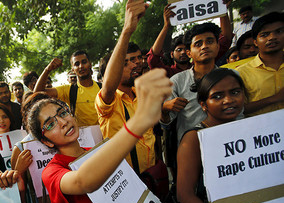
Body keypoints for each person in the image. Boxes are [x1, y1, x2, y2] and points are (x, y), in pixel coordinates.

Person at [26, 64, 181, 203]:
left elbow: (134, 196)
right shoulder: (52, 171)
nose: (63, 122)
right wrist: (139, 121)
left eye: (63, 112)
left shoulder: (97, 152)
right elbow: (84, 181)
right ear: (46, 142)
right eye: (50, 124)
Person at [176, 68, 255, 203]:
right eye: (218, 96)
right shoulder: (194, 139)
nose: (228, 100)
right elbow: (185, 195)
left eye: (235, 92)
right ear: (204, 104)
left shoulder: (250, 130)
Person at [95, 2, 156, 173]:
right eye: (126, 63)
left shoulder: (143, 94)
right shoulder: (108, 101)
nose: (135, 65)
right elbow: (108, 88)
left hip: (153, 176)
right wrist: (127, 31)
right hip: (128, 182)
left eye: (137, 60)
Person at [161, 22, 233, 144]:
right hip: (192, 148)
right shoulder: (177, 81)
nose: (204, 47)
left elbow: (240, 114)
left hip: (229, 143)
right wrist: (164, 108)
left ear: (218, 46)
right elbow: (166, 122)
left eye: (209, 41)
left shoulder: (231, 76)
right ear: (189, 53)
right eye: (198, 44)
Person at [148, 2, 232, 78]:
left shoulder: (205, 60)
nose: (183, 52)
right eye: (179, 49)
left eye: (209, 42)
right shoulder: (172, 76)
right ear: (172, 54)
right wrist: (166, 26)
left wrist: (222, 10)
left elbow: (226, 39)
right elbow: (153, 60)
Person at [34, 51, 101, 127]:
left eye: (84, 62)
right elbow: (37, 93)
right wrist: (47, 69)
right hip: (83, 137)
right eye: (77, 64)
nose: (81, 66)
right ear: (73, 69)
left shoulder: (102, 88)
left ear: (90, 64)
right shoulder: (68, 90)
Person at [236, 12, 284, 117]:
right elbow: (238, 109)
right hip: (262, 131)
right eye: (265, 35)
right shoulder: (242, 72)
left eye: (279, 31)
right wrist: (275, 99)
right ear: (255, 42)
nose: (272, 37)